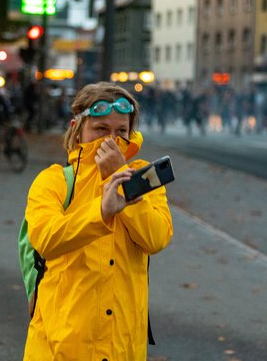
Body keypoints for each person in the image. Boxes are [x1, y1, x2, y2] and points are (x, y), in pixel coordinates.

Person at [22, 82, 173, 360]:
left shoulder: (142, 177)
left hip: (122, 348)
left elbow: (157, 238)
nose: (111, 141)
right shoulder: (53, 181)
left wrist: (126, 186)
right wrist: (100, 213)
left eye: (121, 131)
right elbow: (46, 240)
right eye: (101, 129)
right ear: (77, 129)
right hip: (60, 349)